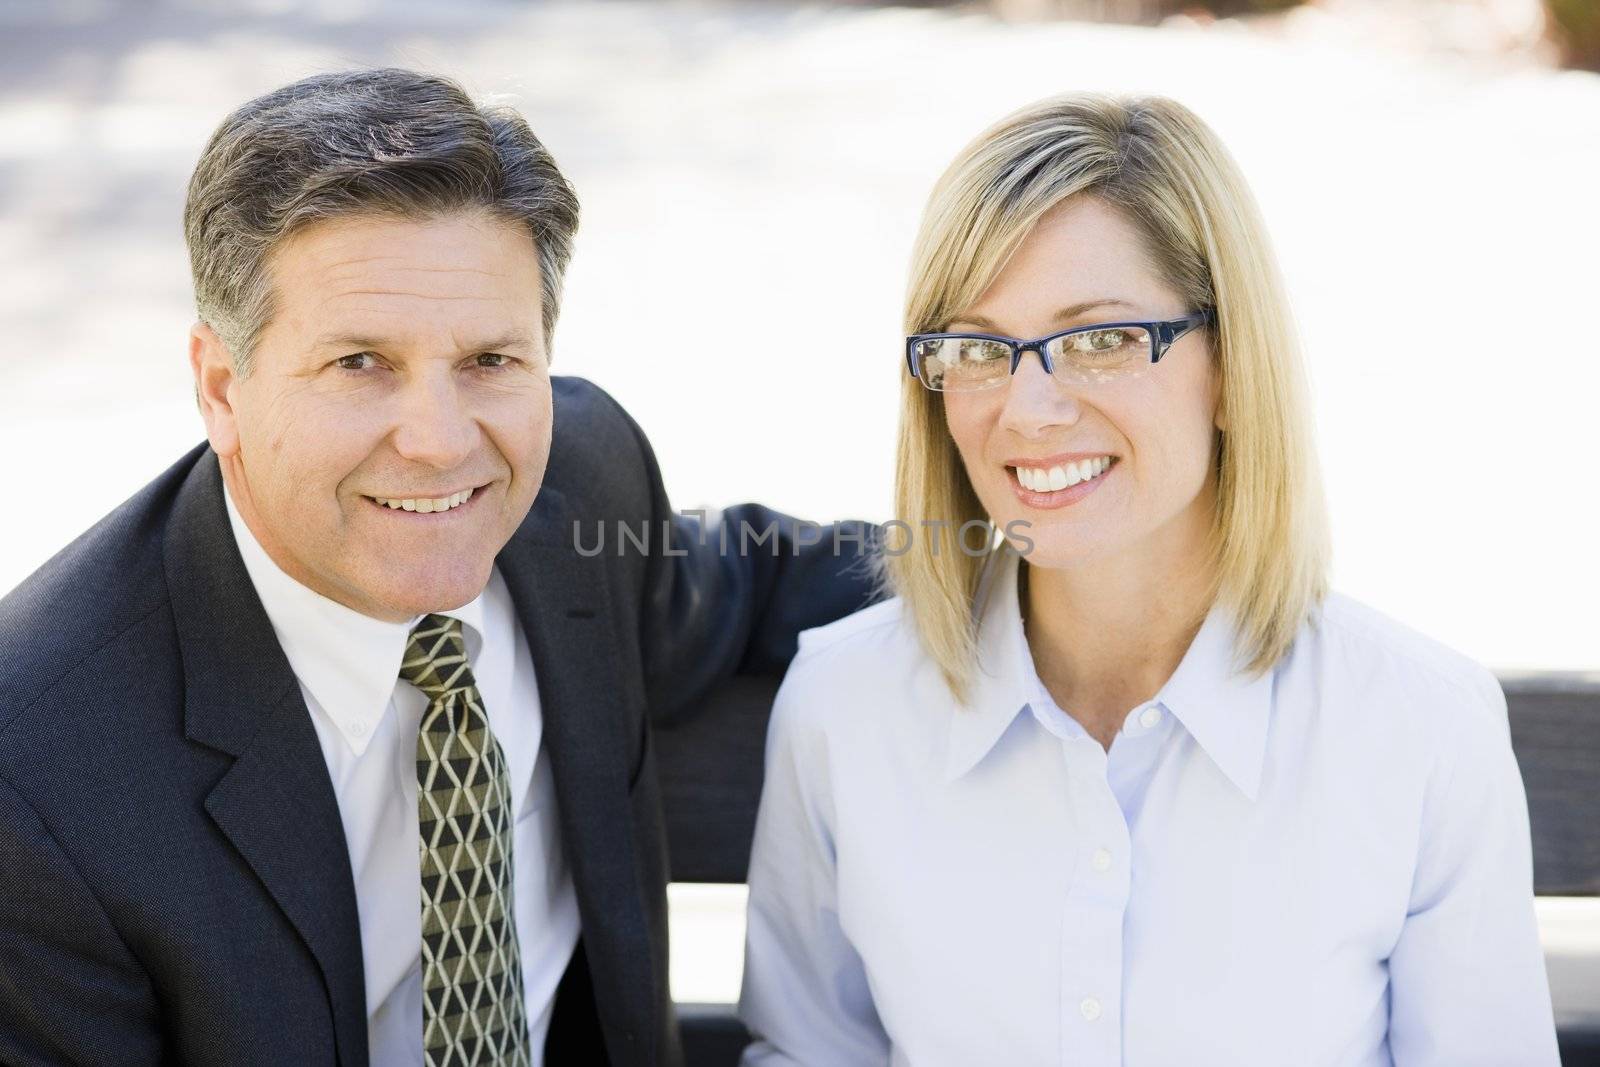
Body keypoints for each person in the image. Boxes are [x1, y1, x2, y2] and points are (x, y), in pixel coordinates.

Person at [0, 68, 874, 1067]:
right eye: (359, 363)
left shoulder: (580, 484)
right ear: (221, 387)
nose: (439, 440)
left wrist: (1040, 545)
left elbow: (747, 574)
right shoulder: (36, 785)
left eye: (490, 361)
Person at [736, 92, 1559, 1066]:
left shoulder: (1419, 728)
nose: (1028, 410)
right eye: (976, 347)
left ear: (1228, 366)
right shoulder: (843, 706)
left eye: (1098, 338)